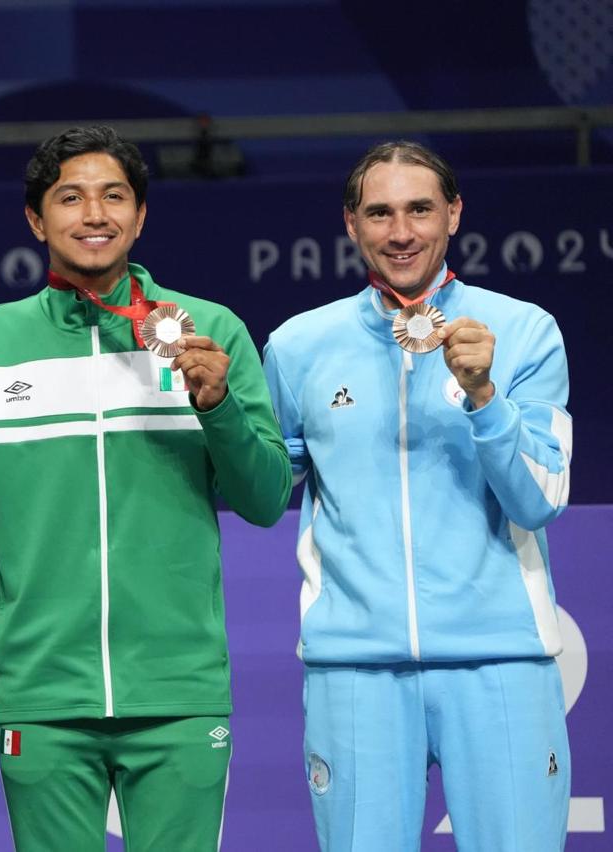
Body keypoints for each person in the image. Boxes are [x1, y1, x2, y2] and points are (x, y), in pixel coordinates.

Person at [0, 125, 292, 852]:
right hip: (42, 693)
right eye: (70, 198)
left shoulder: (211, 331)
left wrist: (217, 407)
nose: (94, 214)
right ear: (37, 221)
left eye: (114, 196)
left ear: (140, 216)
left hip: (176, 690)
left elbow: (267, 499)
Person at [262, 140, 572, 851]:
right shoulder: (299, 344)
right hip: (356, 671)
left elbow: (541, 499)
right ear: (351, 224)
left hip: (500, 665)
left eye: (420, 210)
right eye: (380, 213)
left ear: (454, 213)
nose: (400, 232)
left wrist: (485, 398)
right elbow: (266, 483)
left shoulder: (524, 331)